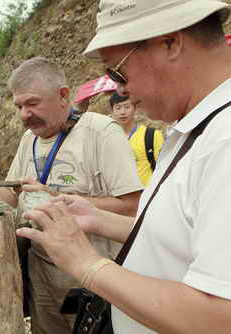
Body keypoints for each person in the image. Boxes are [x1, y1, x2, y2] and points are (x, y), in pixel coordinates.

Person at [17, 1, 231, 333]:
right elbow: (181, 240)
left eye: (117, 71)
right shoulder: (197, 128)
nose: (121, 89)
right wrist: (98, 218)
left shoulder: (224, 140)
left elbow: (220, 317)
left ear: (170, 43)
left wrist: (86, 264)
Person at [0, 57, 143, 334]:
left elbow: (132, 207)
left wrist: (54, 196)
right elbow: (14, 195)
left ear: (63, 95)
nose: (24, 114)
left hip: (92, 275)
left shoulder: (100, 132)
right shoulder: (29, 139)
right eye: (19, 106)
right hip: (42, 273)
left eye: (32, 103)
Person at [109, 92, 164, 186]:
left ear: (135, 108)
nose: (122, 112)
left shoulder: (152, 135)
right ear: (112, 111)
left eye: (127, 107)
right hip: (123, 196)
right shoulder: (109, 140)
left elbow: (164, 168)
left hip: (149, 194)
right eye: (118, 108)